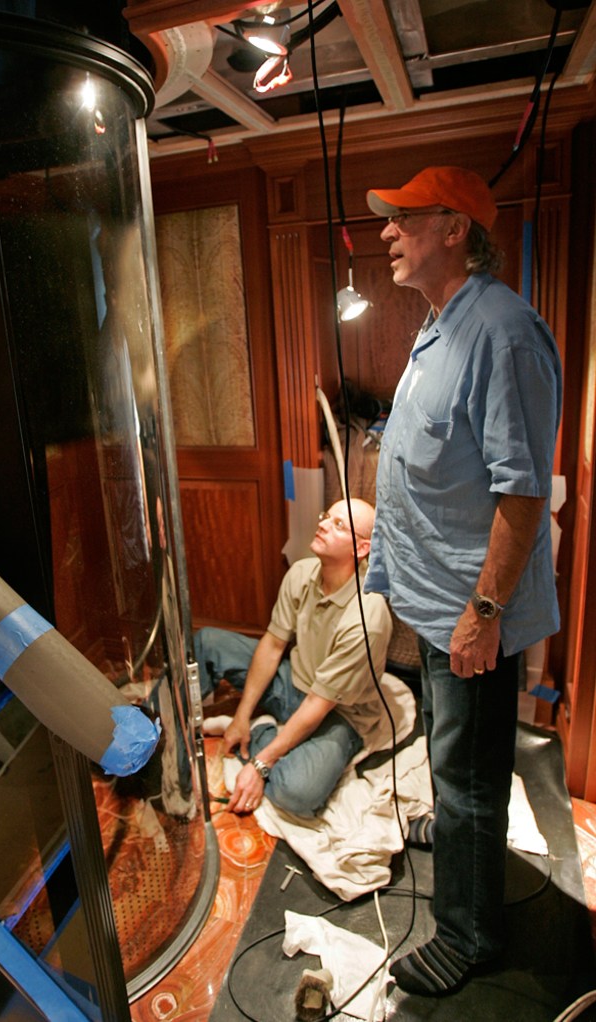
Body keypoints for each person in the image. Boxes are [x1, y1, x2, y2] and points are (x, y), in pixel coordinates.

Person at [363, 166, 562, 996]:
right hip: (437, 598)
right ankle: (457, 836)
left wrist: (484, 611)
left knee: (471, 775)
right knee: (453, 755)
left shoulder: (504, 334)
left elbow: (523, 492)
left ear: (455, 230)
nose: (387, 231)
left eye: (404, 217)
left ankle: (469, 934)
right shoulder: (440, 323)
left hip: (469, 611)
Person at [194, 498, 392, 818]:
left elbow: (319, 702)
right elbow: (273, 645)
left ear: (361, 549)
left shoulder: (367, 617)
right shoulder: (302, 572)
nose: (322, 524)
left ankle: (262, 730)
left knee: (297, 793)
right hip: (294, 682)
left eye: (338, 525)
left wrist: (261, 764)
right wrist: (242, 714)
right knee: (207, 642)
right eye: (326, 516)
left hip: (340, 713)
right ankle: (171, 728)